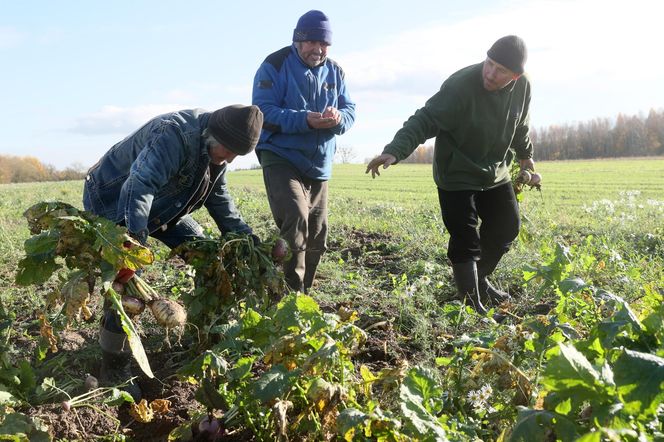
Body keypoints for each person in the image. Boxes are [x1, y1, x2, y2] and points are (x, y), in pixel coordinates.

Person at [83, 104, 263, 399]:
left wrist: (243, 236)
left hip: (165, 207)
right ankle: (114, 366)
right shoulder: (174, 134)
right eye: (229, 150)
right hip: (113, 199)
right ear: (213, 133)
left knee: (207, 255)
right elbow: (139, 186)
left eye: (236, 155)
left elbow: (218, 199)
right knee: (126, 281)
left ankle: (206, 335)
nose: (229, 158)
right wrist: (133, 243)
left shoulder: (215, 154)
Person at [366, 36, 534, 315]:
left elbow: (521, 124)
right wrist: (395, 151)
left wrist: (526, 156)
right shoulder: (460, 86)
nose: (490, 73)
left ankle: (478, 281)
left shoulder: (523, 87)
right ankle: (469, 301)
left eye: (500, 70)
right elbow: (424, 119)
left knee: (507, 225)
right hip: (456, 173)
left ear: (515, 76)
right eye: (489, 63)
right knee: (464, 235)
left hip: (495, 171)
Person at [252, 10, 356, 293]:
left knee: (318, 233)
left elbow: (350, 110)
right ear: (298, 40)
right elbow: (263, 112)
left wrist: (338, 118)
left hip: (319, 164)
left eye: (324, 44)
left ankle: (304, 293)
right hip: (280, 156)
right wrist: (305, 119)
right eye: (312, 42)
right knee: (296, 219)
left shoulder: (335, 71)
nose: (318, 49)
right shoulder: (274, 64)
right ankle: (290, 293)